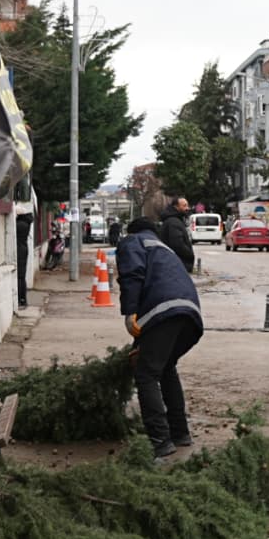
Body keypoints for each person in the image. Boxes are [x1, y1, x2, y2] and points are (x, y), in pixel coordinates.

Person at [116, 216, 204, 459]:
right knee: (165, 368)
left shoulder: (134, 241)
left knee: (146, 374)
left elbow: (132, 275)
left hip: (164, 311)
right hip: (190, 315)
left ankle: (160, 442)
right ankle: (180, 433)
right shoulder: (163, 247)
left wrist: (129, 311)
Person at [159, 195, 196, 273]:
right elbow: (177, 244)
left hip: (173, 263)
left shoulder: (173, 220)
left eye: (187, 205)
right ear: (176, 207)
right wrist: (189, 254)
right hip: (177, 265)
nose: (187, 208)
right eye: (184, 206)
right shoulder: (174, 222)